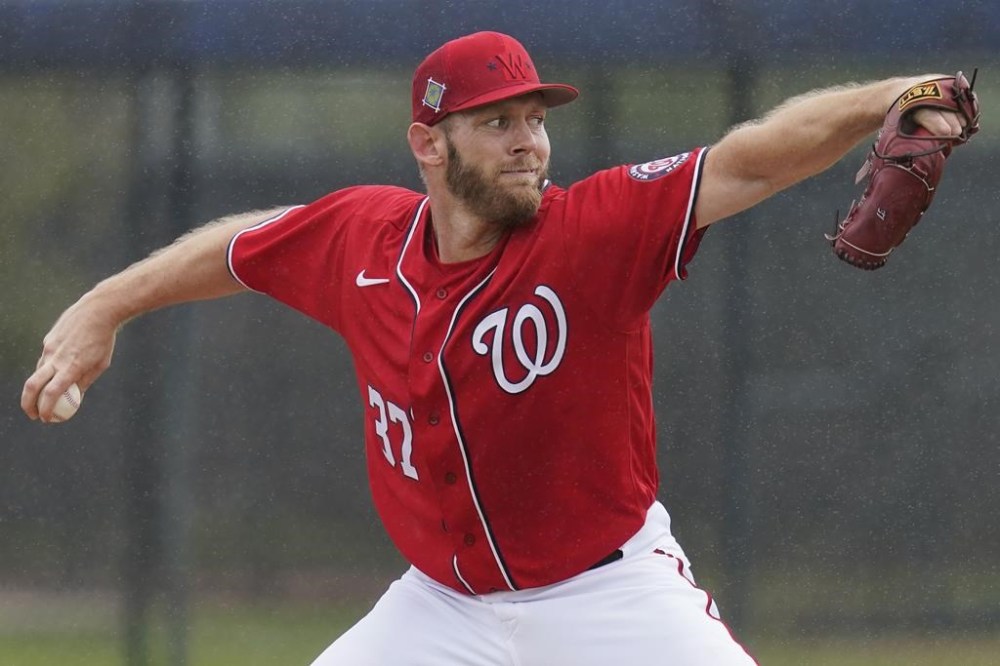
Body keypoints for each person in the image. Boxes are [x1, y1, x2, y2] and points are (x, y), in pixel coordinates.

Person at [22, 31, 969, 665]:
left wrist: (894, 93)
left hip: (609, 596)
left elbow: (755, 155)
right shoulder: (362, 240)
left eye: (536, 120)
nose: (529, 144)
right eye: (496, 123)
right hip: (439, 611)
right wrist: (107, 304)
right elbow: (234, 250)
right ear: (427, 145)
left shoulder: (593, 232)